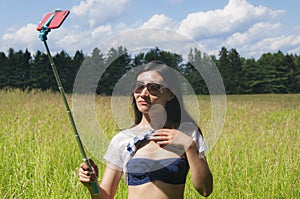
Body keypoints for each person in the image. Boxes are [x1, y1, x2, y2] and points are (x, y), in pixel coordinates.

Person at [78, 61, 213, 198]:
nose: (143, 94)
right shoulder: (122, 140)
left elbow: (205, 189)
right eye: (139, 87)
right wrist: (92, 185)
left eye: (154, 88)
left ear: (170, 94)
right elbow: (106, 196)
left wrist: (189, 146)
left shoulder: (187, 133)